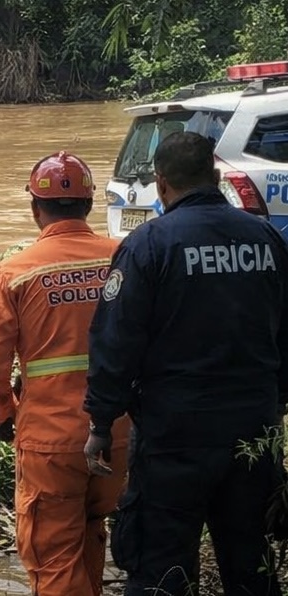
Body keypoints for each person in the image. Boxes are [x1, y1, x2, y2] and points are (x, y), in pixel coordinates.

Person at [84, 131, 288, 596]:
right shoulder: (265, 238)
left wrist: (101, 421)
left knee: (160, 567)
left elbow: (116, 341)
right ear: (215, 178)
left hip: (175, 434)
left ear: (160, 184)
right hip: (254, 431)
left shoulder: (149, 244)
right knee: (251, 563)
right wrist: (276, 404)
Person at [0, 151, 131, 596]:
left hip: (51, 439)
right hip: (118, 432)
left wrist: (4, 413)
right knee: (91, 530)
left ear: (34, 209)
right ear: (88, 204)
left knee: (53, 556)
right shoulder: (123, 257)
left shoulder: (16, 271)